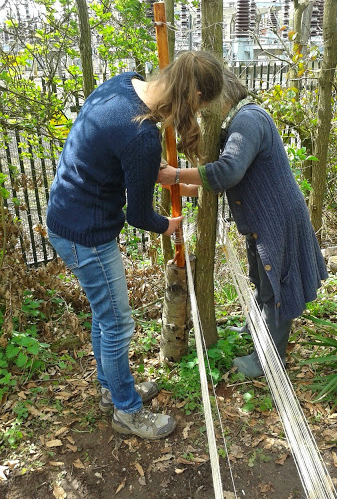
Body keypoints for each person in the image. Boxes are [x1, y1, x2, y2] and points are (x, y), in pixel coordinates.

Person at [46, 51, 224, 439]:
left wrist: (156, 176)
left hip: (66, 215)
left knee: (104, 314)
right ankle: (127, 411)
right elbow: (139, 216)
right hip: (85, 234)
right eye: (201, 104)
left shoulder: (123, 84)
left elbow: (114, 158)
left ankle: (112, 390)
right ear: (191, 94)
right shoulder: (141, 135)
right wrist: (170, 224)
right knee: (118, 323)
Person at [157, 68, 328, 378]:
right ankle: (256, 330)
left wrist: (177, 175)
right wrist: (180, 187)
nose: (201, 107)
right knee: (262, 281)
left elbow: (228, 171)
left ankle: (268, 362)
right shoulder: (239, 120)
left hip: (277, 220)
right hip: (264, 219)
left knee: (277, 288)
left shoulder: (248, 120)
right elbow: (223, 179)